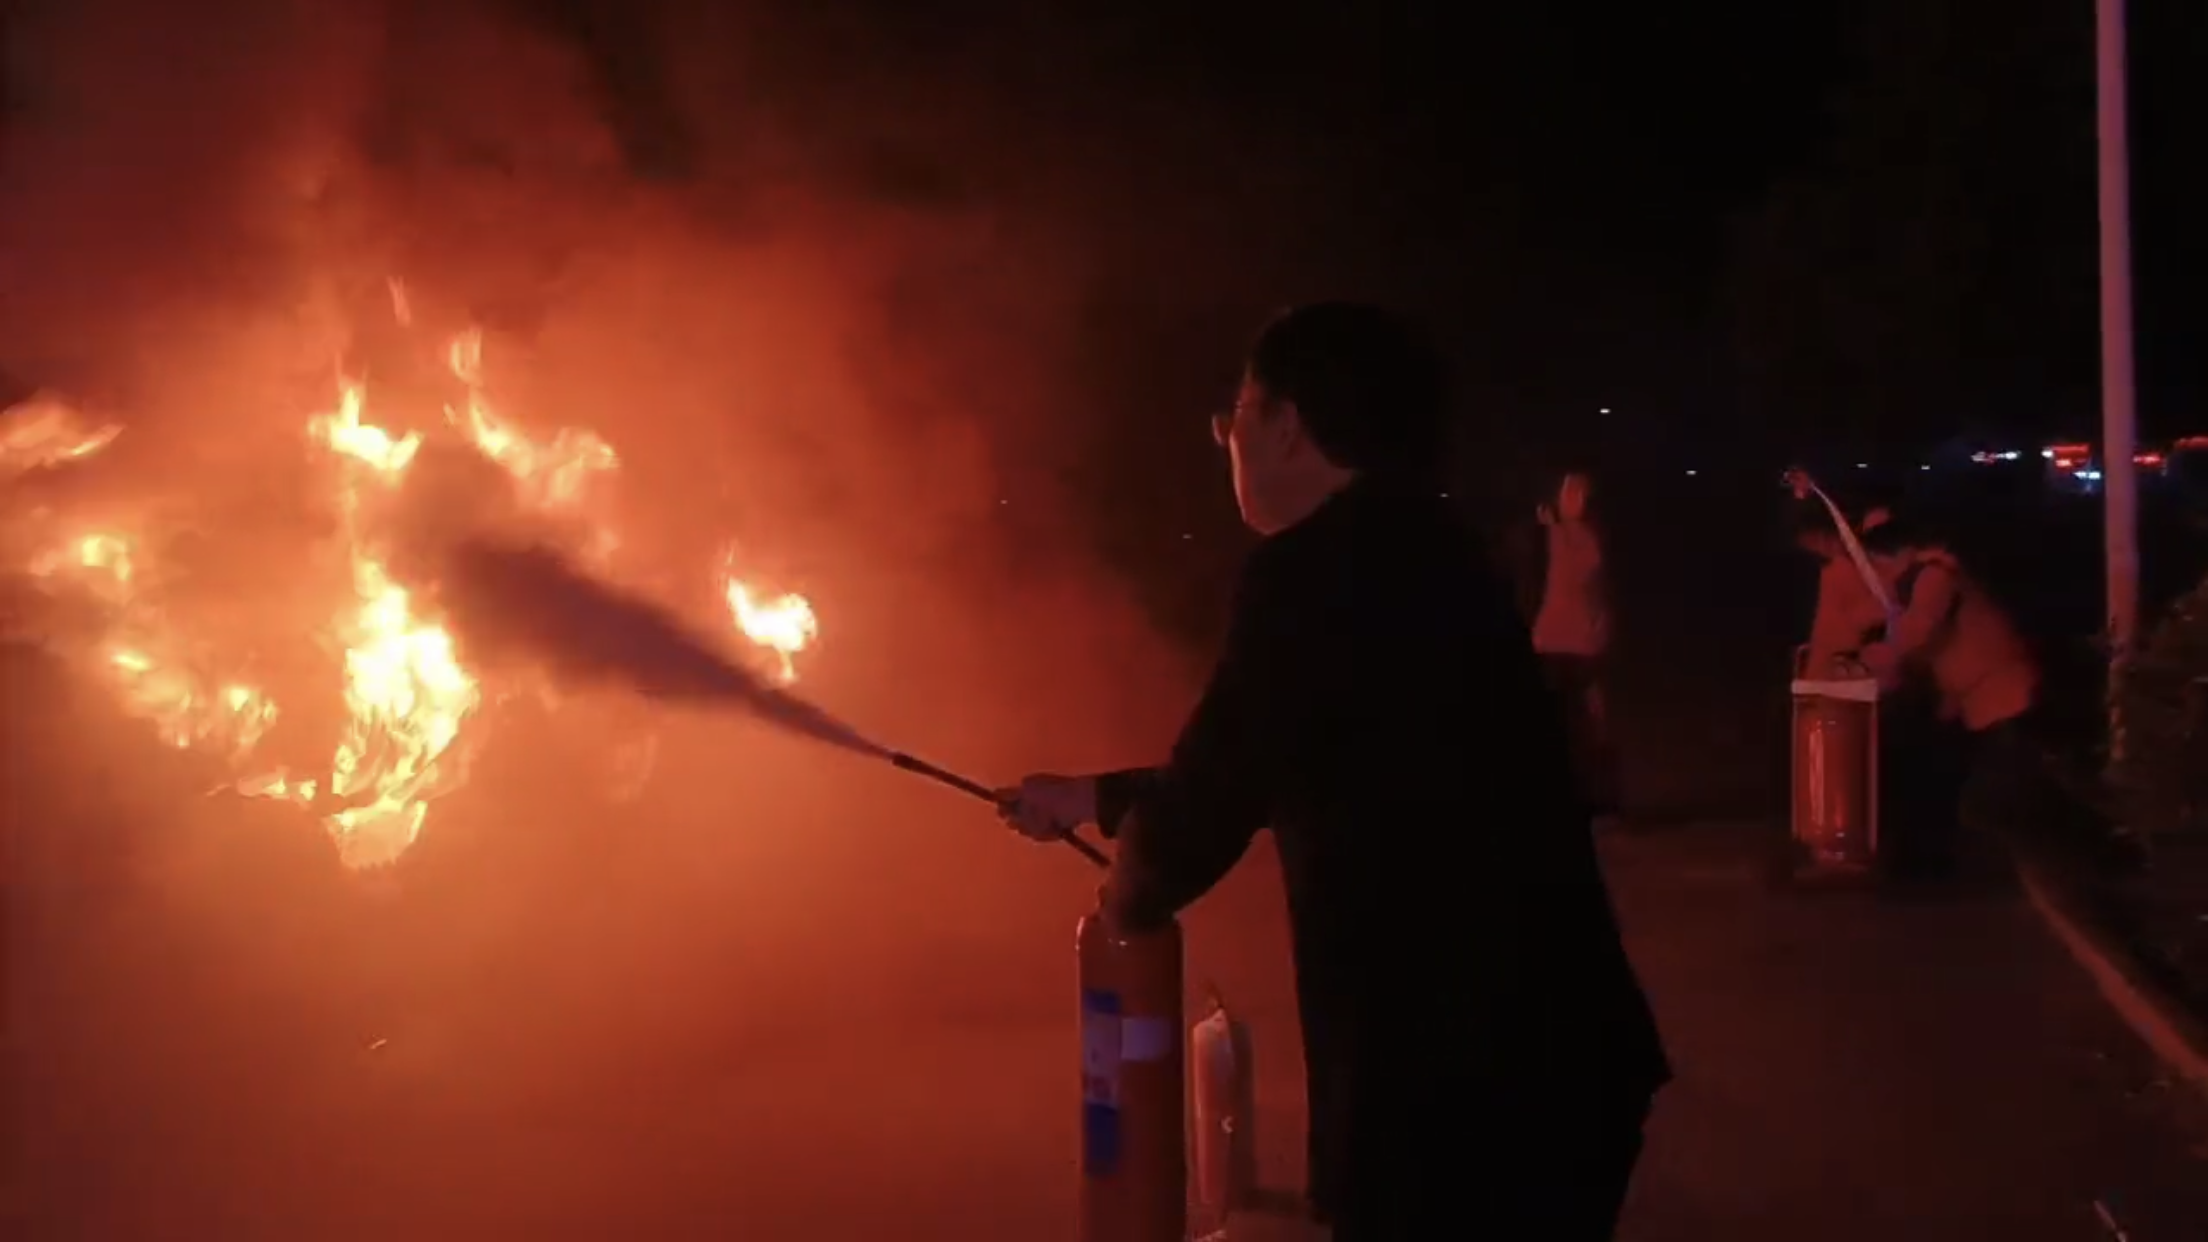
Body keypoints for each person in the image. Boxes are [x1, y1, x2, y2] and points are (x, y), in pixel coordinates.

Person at [998, 302, 1670, 1239]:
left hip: (1456, 1091)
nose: (1226, 440)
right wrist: (1094, 798)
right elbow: (1318, 754)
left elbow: (1205, 808)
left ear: (1286, 424)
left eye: (1235, 415)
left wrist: (1123, 903)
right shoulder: (1433, 547)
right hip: (1564, 1054)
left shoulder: (1309, 573)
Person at [1856, 519, 2047, 876]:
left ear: (1901, 554)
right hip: (1989, 701)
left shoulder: (1936, 576)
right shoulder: (1929, 579)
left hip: (2005, 697)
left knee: (1997, 799)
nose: (1879, 575)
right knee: (1993, 795)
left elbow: (1918, 632)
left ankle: (2049, 870)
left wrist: (1873, 656)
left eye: (1878, 563)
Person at [1532, 470, 1618, 813]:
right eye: (1567, 492)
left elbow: (1588, 576)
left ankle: (1598, 794)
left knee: (1588, 720)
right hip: (1551, 640)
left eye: (1579, 493)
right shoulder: (1549, 534)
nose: (1571, 499)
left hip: (1581, 642)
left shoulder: (1586, 538)